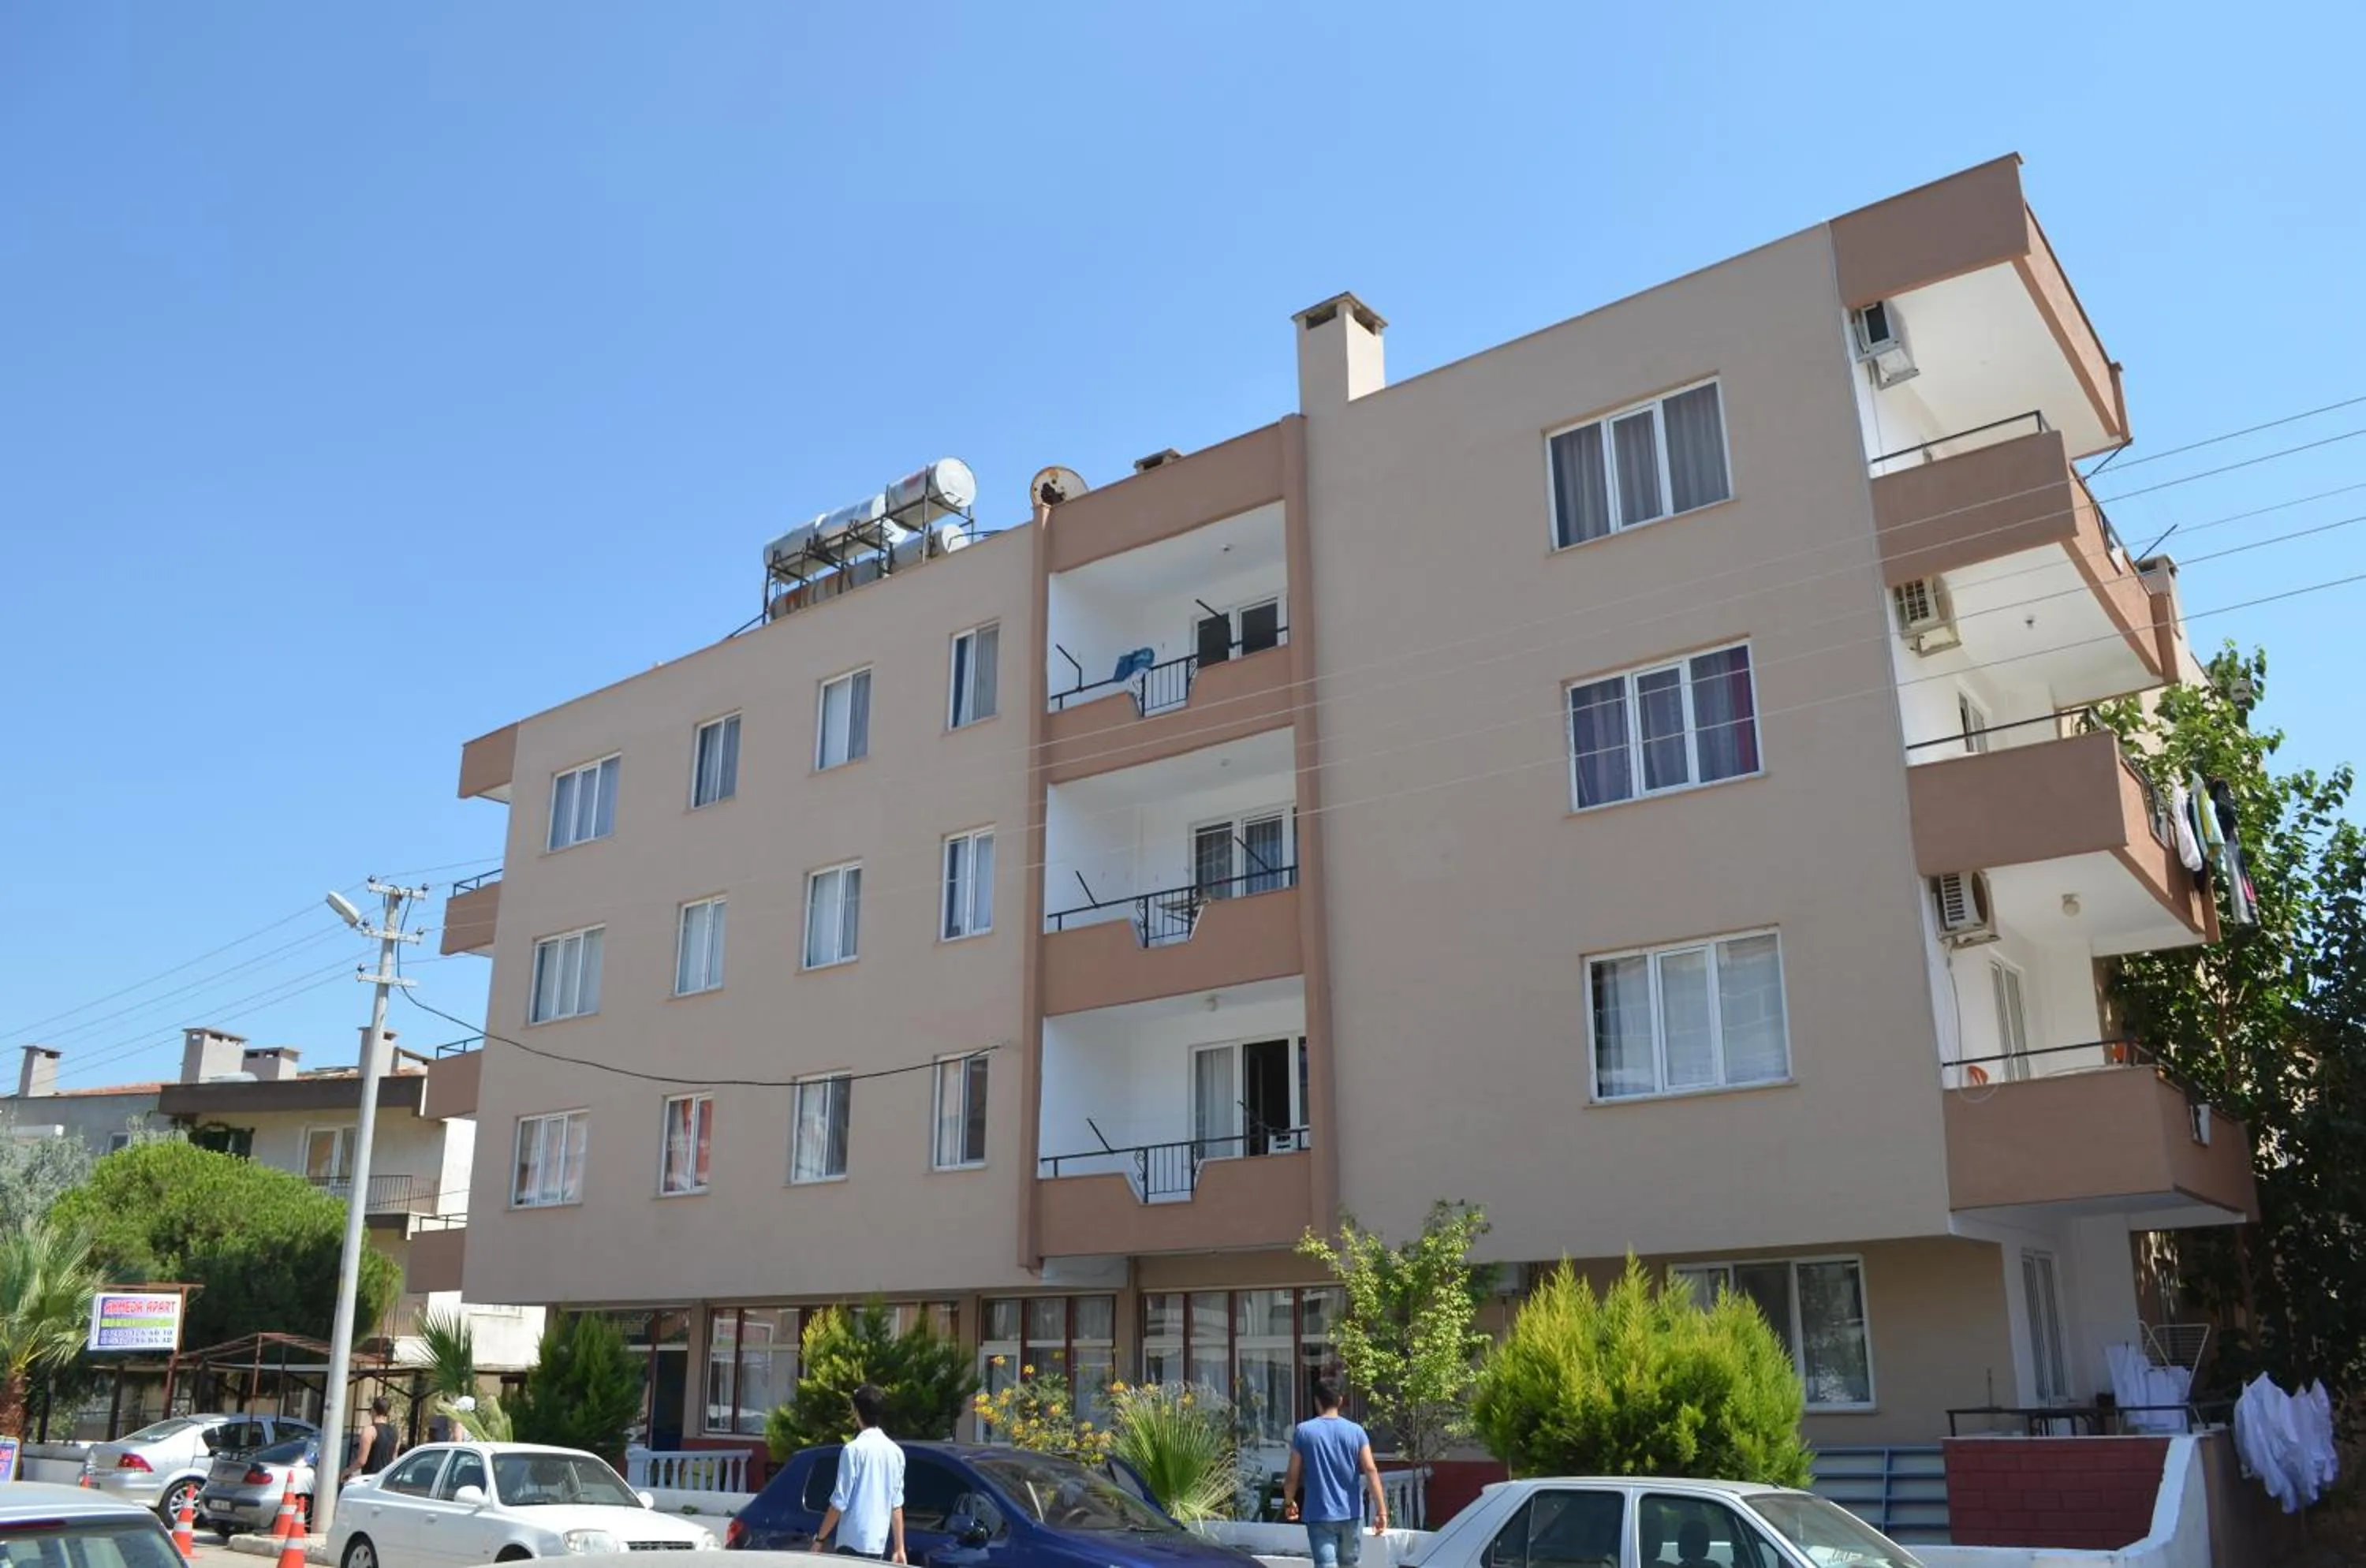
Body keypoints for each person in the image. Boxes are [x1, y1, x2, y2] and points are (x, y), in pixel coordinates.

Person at [1282, 1379, 1387, 1566]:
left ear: (1317, 1401)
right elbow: (1370, 1470)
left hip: (1318, 1513)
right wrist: (1381, 1511)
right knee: (1350, 1564)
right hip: (1351, 1513)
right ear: (1340, 1401)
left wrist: (1289, 1501)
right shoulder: (1356, 1432)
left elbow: (1292, 1474)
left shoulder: (1304, 1431)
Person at [812, 1384, 905, 1563]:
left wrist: (820, 1539)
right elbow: (896, 1504)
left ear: (856, 1412)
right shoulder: (896, 1453)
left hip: (851, 1541)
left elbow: (839, 1501)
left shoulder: (853, 1450)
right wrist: (899, 1547)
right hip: (878, 1543)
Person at [342, 1397, 401, 1485]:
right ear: (387, 1412)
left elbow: (361, 1461)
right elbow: (394, 1458)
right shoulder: (395, 1432)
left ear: (373, 1410)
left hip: (371, 1480)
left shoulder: (370, 1431)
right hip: (386, 1481)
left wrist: (346, 1471)